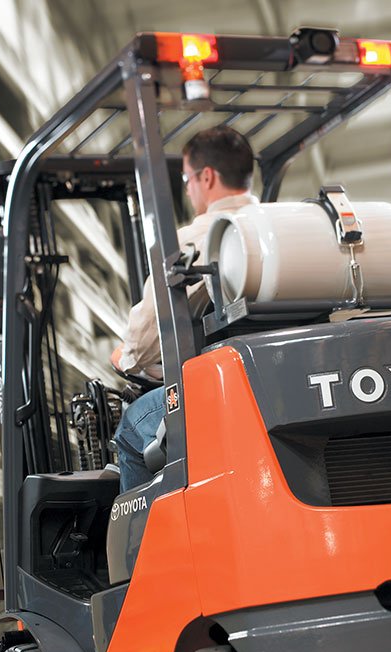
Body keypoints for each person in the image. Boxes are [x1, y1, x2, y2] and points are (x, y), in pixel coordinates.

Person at [112, 125, 257, 491]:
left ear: (206, 176)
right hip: (288, 382)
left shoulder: (196, 239)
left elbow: (143, 340)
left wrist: (125, 358)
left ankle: (141, 548)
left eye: (187, 179)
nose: (188, 188)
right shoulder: (285, 229)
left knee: (131, 427)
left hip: (229, 391)